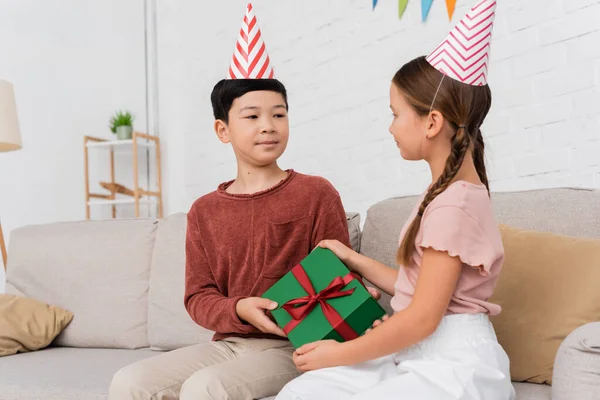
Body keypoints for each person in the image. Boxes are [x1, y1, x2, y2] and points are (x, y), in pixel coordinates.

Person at [108, 4, 367, 399]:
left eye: (279, 115)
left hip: (292, 346)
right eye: (252, 116)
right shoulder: (204, 211)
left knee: (206, 387)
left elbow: (338, 283)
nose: (268, 125)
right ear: (222, 130)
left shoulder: (315, 193)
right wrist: (239, 309)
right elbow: (198, 297)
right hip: (227, 342)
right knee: (130, 381)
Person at [276, 0, 516, 399]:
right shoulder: (447, 195)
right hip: (424, 351)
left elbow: (422, 317)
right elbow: (417, 290)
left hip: (452, 363)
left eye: (395, 114)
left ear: (432, 122)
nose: (390, 128)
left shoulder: (453, 206)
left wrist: (339, 354)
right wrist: (354, 260)